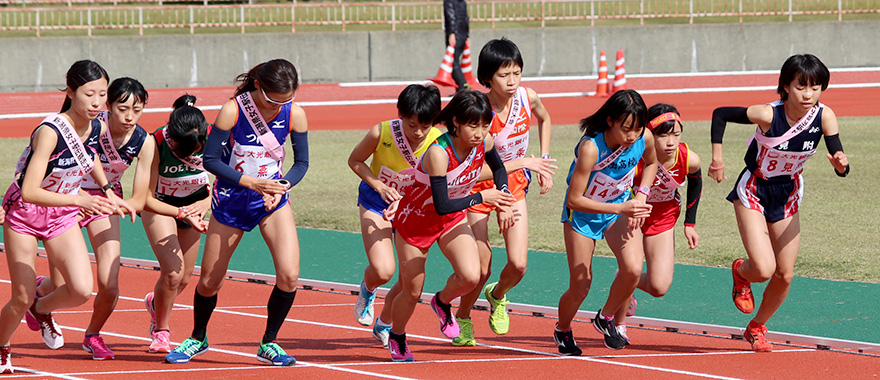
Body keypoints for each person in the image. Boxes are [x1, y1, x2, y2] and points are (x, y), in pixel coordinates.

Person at [165, 59, 308, 366]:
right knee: (209, 281)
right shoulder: (233, 110)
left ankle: (269, 342)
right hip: (232, 199)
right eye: (272, 101)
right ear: (258, 86)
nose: (277, 107)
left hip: (271, 201)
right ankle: (197, 337)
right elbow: (211, 160)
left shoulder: (295, 113)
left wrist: (281, 186)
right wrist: (249, 182)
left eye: (285, 101)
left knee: (290, 274)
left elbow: (301, 164)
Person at [0, 60, 135, 374]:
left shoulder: (97, 124)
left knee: (80, 290)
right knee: (19, 297)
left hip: (61, 214)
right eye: (90, 94)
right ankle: (3, 344)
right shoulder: (49, 132)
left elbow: (90, 157)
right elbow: (31, 190)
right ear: (71, 91)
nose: (98, 102)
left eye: (103, 95)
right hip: (25, 213)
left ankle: (41, 307)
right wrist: (81, 199)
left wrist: (107, 190)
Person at [708, 54, 849, 352]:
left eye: (815, 86)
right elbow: (720, 114)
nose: (808, 94)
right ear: (786, 86)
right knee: (762, 269)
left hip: (787, 193)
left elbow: (840, 159)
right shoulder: (768, 114)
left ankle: (757, 326)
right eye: (801, 86)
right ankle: (740, 272)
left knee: (784, 273)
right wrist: (717, 157)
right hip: (755, 189)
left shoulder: (825, 116)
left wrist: (841, 165)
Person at [30, 77, 155, 361]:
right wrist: (80, 200)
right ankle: (41, 297)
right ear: (108, 106)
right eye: (123, 108)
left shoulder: (143, 141)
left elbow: (139, 198)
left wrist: (111, 204)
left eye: (137, 109)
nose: (129, 116)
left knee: (110, 284)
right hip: (69, 200)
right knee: (64, 284)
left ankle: (93, 335)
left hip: (104, 204)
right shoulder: (90, 126)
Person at [385, 90, 516, 362]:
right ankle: (397, 335)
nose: (480, 132)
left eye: (484, 124)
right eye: (473, 125)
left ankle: (442, 302)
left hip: (450, 220)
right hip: (417, 221)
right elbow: (442, 203)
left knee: (472, 275)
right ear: (455, 121)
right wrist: (482, 196)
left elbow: (500, 169)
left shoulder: (485, 141)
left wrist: (502, 194)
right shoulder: (438, 153)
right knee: (411, 292)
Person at [453, 37, 556, 346]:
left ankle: (497, 296)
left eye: (517, 72)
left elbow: (546, 118)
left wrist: (544, 160)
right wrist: (524, 162)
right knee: (481, 266)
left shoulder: (528, 97)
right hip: (478, 191)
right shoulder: (479, 112)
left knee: (519, 264)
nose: (512, 81)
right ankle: (464, 316)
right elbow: (472, 170)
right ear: (487, 77)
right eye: (503, 75)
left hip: (514, 189)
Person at [554, 89, 656, 355]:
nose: (632, 136)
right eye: (626, 129)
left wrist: (642, 193)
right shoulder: (590, 148)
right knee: (581, 284)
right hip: (584, 214)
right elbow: (574, 200)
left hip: (618, 211)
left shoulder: (643, 137)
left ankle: (606, 317)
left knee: (633, 270)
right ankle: (563, 329)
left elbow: (653, 164)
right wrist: (622, 206)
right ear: (610, 120)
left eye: (637, 128)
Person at [347, 84, 443, 347]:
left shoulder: (439, 142)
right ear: (400, 114)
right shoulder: (382, 132)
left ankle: (384, 324)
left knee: (407, 280)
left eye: (425, 125)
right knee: (383, 269)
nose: (418, 132)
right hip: (376, 204)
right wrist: (378, 184)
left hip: (412, 211)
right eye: (412, 125)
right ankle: (367, 289)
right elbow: (355, 160)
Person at [620, 104, 702, 340]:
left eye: (675, 134)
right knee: (632, 271)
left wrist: (689, 224)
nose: (670, 142)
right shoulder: (633, 157)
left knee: (659, 287)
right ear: (648, 134)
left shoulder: (688, 159)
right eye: (663, 135)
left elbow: (696, 183)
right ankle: (619, 324)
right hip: (631, 216)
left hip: (663, 217)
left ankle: (623, 280)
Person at [142, 94, 212, 354]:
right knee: (172, 272)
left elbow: (233, 178)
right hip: (161, 206)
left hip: (195, 207)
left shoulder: (215, 137)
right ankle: (161, 331)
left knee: (182, 279)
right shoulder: (156, 142)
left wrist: (207, 204)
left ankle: (155, 302)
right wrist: (180, 213)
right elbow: (145, 198)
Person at [443, 0, 470, 89]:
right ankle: (460, 88)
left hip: (455, 35)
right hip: (463, 34)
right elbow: (466, 19)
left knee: (453, 63)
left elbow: (451, 17)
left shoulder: (449, 1)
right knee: (456, 62)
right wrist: (467, 36)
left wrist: (451, 33)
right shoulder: (462, 2)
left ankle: (463, 84)